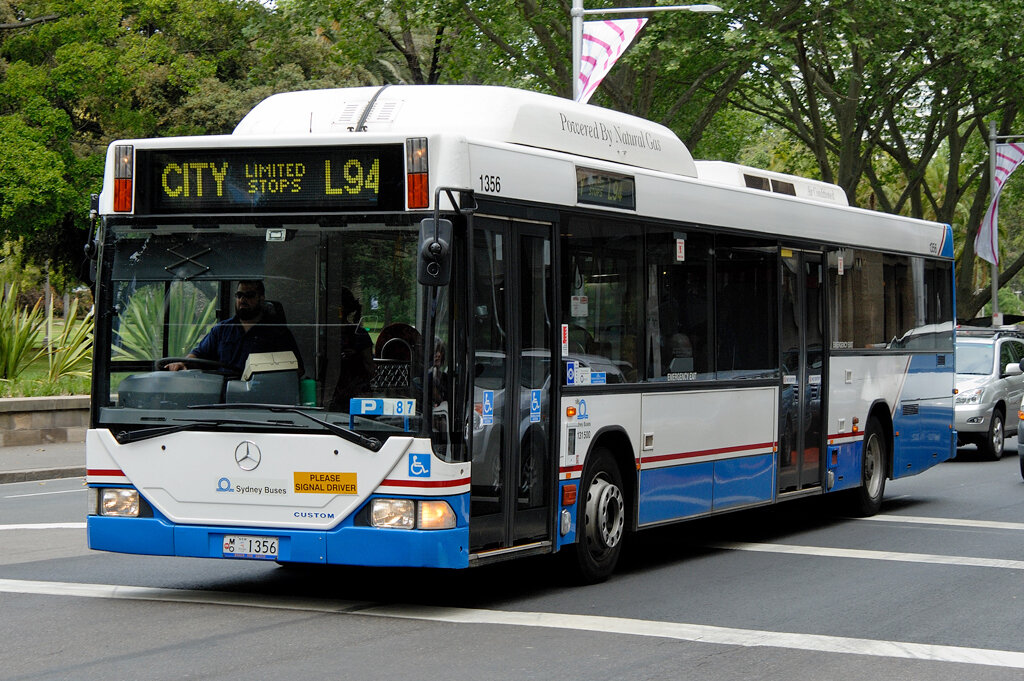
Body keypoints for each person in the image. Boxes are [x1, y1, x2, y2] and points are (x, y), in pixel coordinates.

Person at [166, 280, 302, 375]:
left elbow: (297, 370)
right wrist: (183, 363)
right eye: (239, 295)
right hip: (222, 396)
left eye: (249, 295)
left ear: (261, 298)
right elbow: (197, 355)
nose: (243, 300)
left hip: (260, 399)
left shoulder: (278, 333)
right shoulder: (221, 330)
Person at [328, 287, 374, 410]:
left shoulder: (359, 335)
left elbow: (370, 368)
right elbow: (370, 368)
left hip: (354, 397)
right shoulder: (359, 333)